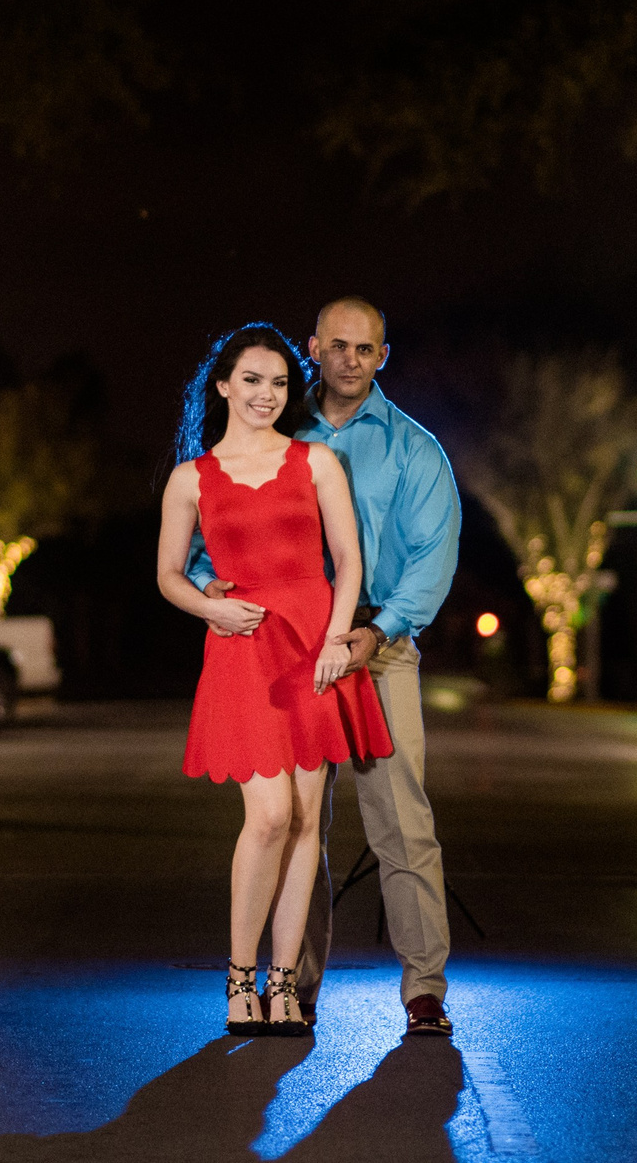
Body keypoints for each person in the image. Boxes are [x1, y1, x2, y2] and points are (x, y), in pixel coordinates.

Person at [193, 296, 461, 1039]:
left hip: (378, 644)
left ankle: (424, 988)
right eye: (336, 345)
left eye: (364, 348)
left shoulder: (414, 449)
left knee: (401, 821)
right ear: (313, 346)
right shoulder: (277, 427)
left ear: (383, 356)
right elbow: (215, 526)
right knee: (293, 821)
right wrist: (211, 584)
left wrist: (372, 634)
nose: (349, 358)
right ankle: (294, 981)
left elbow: (432, 562)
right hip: (286, 648)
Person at [156, 322, 393, 1038]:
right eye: (252, 380)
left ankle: (283, 983)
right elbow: (168, 573)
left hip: (313, 647)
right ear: (223, 384)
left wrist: (335, 641)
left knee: (303, 822)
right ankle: (238, 976)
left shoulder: (316, 461)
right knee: (267, 814)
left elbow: (348, 561)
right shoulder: (190, 477)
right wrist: (211, 605)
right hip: (242, 643)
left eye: (280, 383)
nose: (266, 394)